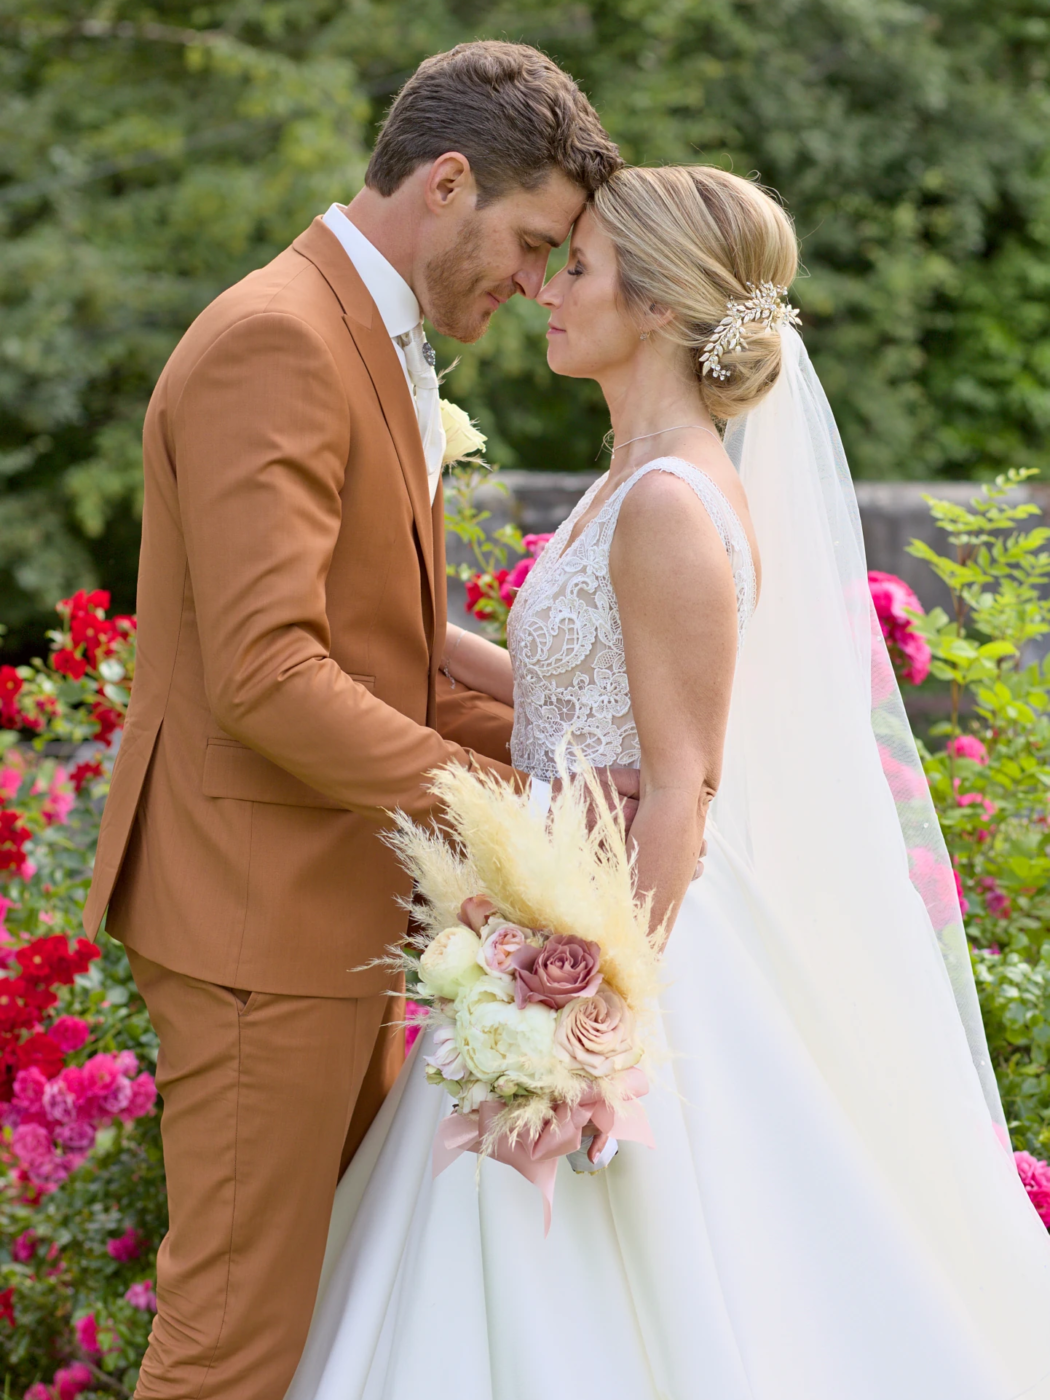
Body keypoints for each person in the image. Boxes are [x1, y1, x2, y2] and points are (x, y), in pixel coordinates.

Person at [286, 166, 1050, 1400]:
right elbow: (564, 688)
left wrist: (593, 1029)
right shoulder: (626, 482)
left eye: (573, 266)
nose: (545, 286)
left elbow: (684, 792)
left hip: (628, 945)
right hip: (555, 925)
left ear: (651, 304)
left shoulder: (670, 505)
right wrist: (410, 630)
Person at [81, 41, 637, 1400]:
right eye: (528, 242)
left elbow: (368, 641)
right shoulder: (278, 336)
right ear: (447, 183)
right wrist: (503, 814)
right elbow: (265, 671)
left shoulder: (365, 337)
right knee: (230, 1348)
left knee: (319, 1324)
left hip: (319, 909)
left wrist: (555, 718)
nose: (530, 282)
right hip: (250, 919)